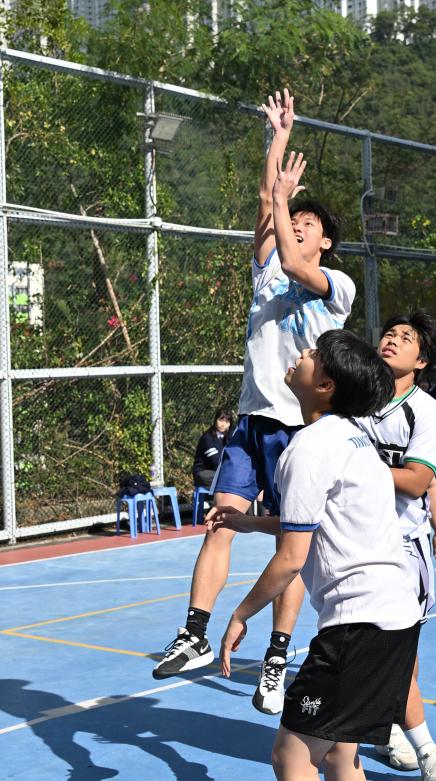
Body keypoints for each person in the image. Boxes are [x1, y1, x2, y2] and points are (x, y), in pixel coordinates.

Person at [151, 90, 357, 722]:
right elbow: (268, 213)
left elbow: (289, 245)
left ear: (326, 242)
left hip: (300, 429)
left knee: (290, 545)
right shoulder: (266, 269)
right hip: (252, 418)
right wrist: (277, 139)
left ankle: (275, 657)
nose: (297, 226)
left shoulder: (335, 287)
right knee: (220, 521)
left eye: (309, 224)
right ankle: (193, 633)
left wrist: (286, 199)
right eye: (296, 219)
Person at [214, 329, 421, 781]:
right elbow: (314, 518)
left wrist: (241, 614)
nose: (300, 354)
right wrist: (249, 522)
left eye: (311, 354)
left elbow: (292, 556)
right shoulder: (356, 440)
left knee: (292, 758)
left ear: (324, 384)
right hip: (397, 616)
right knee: (340, 753)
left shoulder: (308, 447)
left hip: (357, 625)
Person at [355, 312, 436, 781]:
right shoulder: (356, 401)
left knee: (403, 648)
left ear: (422, 360)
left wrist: (355, 468)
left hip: (401, 546)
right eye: (389, 333)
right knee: (361, 645)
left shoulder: (426, 411)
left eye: (405, 337)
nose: (392, 340)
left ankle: (418, 744)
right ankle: (388, 727)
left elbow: (418, 480)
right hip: (353, 542)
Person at [193, 410, 233, 490]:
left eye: (227, 422)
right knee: (228, 478)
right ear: (215, 420)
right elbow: (216, 461)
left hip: (219, 471)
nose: (223, 424)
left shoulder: (228, 437)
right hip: (203, 473)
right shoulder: (207, 438)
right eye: (221, 420)